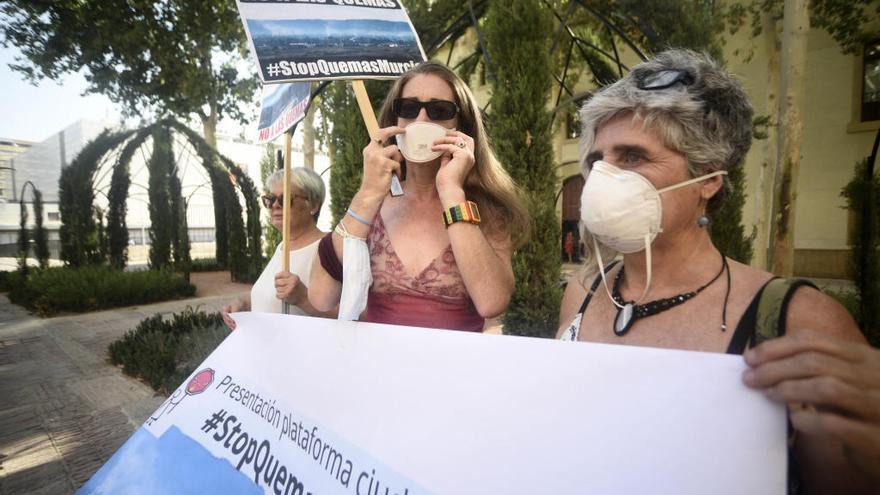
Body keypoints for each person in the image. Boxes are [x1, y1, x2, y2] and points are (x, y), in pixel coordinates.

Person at [558, 48, 879, 492]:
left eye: (632, 157)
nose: (602, 179)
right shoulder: (584, 291)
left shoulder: (798, 318)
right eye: (597, 160)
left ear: (708, 179)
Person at [309, 61, 528, 332]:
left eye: (439, 110)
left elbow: (492, 302)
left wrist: (451, 191)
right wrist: (367, 195)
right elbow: (321, 296)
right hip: (379, 369)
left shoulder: (485, 209)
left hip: (455, 369)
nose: (421, 121)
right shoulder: (373, 205)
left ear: (462, 125)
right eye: (409, 109)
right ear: (395, 120)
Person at [222, 167, 335, 329]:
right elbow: (273, 296)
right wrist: (245, 304)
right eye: (270, 199)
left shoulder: (330, 247)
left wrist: (303, 299)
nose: (274, 205)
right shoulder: (283, 246)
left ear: (314, 205)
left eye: (285, 199)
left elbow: (356, 315)